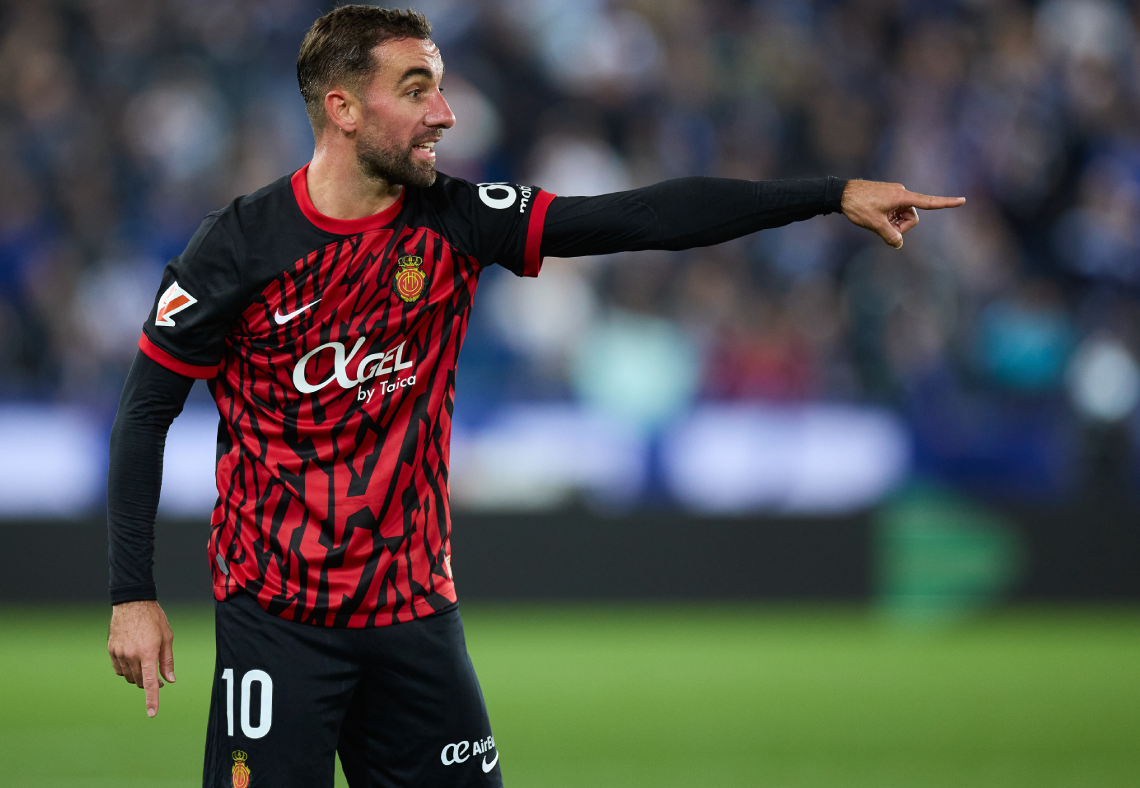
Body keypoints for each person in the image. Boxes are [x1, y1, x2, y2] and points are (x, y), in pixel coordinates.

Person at [105, 6, 965, 787]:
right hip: (276, 619)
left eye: (441, 87)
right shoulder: (238, 247)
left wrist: (828, 195)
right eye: (418, 89)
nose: (445, 113)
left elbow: (641, 217)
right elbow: (145, 414)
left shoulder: (460, 217)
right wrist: (132, 594)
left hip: (413, 615)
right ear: (344, 108)